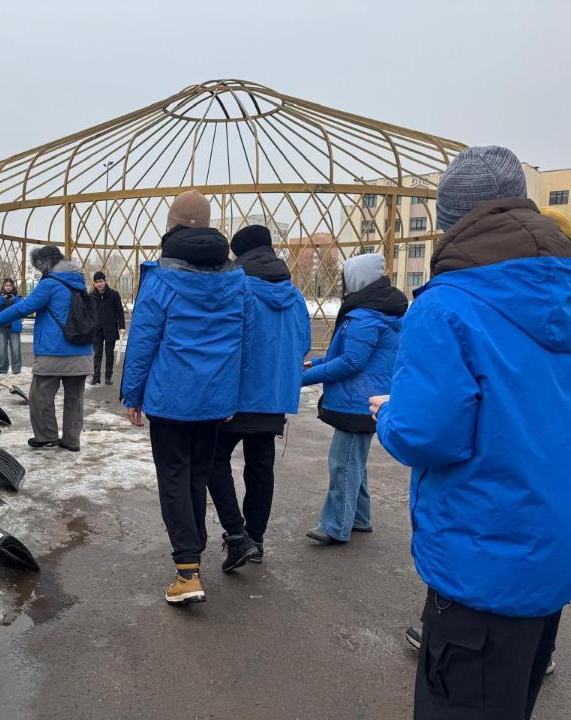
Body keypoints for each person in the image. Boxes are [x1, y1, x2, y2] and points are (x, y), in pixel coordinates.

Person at [371, 146, 571, 720]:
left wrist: (390, 413)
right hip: (549, 556)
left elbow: (427, 434)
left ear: (451, 221)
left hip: (481, 560)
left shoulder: (447, 306)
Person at [121, 189, 250, 605]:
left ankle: (187, 570)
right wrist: (232, 397)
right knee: (196, 476)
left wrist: (133, 394)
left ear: (171, 227)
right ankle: (194, 552)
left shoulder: (161, 279)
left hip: (170, 399)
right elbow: (243, 343)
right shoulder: (237, 280)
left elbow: (143, 341)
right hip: (214, 401)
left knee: (175, 478)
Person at [206, 225, 310, 571]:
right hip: (274, 398)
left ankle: (237, 535)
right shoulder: (294, 296)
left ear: (239, 254)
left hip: (236, 396)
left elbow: (224, 341)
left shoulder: (238, 288)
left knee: (214, 460)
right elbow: (303, 345)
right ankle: (257, 538)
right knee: (261, 465)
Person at [301, 253, 406, 546]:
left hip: (356, 400)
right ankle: (359, 517)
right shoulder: (378, 311)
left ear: (357, 279)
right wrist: (315, 363)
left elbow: (351, 362)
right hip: (363, 398)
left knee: (343, 464)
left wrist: (301, 379)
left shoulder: (366, 316)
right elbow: (351, 355)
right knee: (353, 461)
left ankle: (335, 526)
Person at [0, 245, 92, 452]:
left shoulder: (49, 284)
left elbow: (24, 307)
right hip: (82, 350)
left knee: (40, 395)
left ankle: (46, 436)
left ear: (45, 264)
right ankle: (71, 440)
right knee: (75, 399)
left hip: (53, 351)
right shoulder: (78, 282)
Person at [89, 271, 125, 386]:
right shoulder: (91, 296)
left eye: (101, 281)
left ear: (105, 281)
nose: (99, 284)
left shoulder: (114, 295)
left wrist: (122, 327)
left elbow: (120, 312)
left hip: (110, 328)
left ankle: (108, 377)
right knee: (97, 354)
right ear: (94, 284)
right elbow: (88, 313)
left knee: (109, 354)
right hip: (96, 330)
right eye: (96, 282)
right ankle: (96, 377)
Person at [0, 279, 23, 375]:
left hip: (14, 326)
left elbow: (21, 308)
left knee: (16, 349)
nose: (8, 287)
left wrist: (13, 299)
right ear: (3, 286)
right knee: (1, 349)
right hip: (1, 326)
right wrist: (2, 299)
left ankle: (16, 369)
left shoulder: (18, 297)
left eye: (10, 285)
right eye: (6, 285)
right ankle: (1, 369)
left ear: (13, 287)